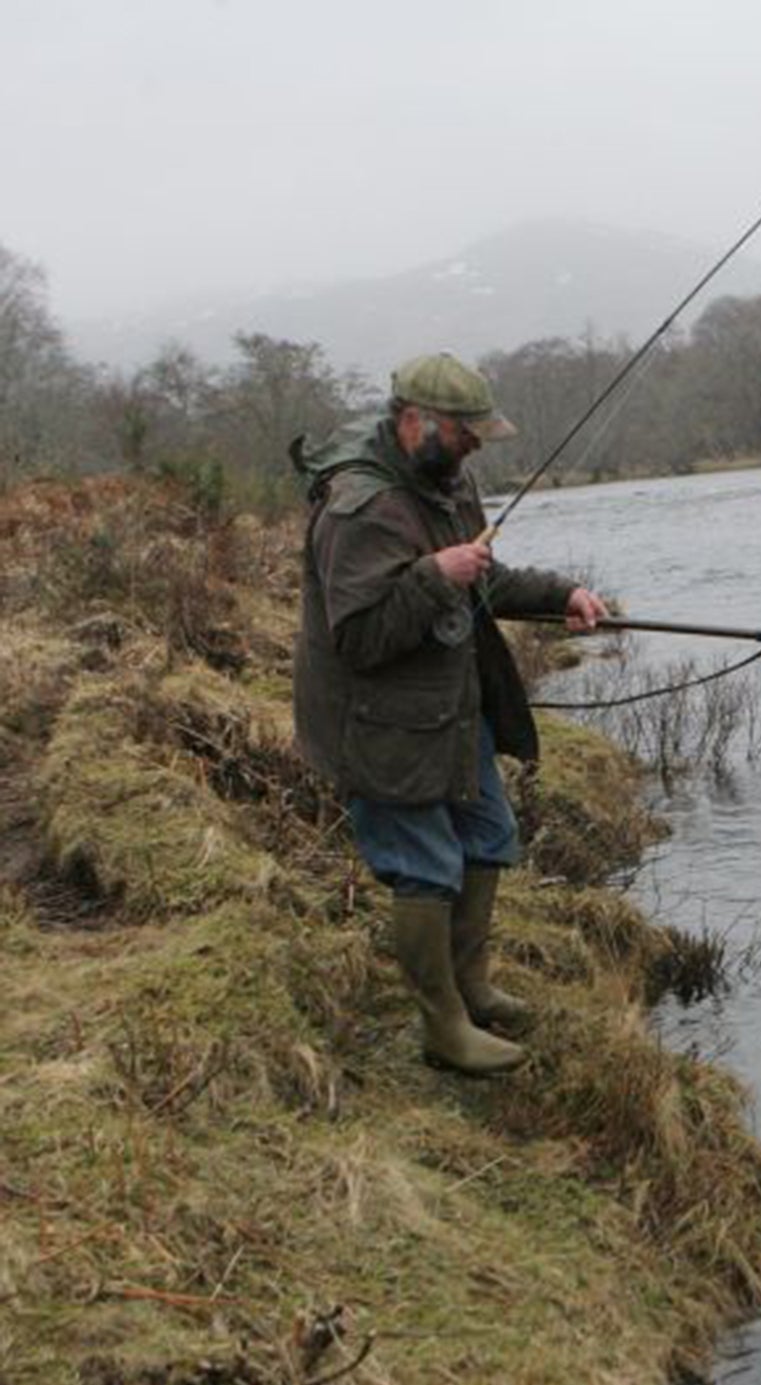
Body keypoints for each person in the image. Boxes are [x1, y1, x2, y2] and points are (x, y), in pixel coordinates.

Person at [290, 352, 608, 1076]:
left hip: (446, 707)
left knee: (489, 833)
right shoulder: (361, 509)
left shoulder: (445, 483)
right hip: (375, 722)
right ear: (414, 422)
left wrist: (563, 596)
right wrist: (436, 576)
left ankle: (471, 988)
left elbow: (483, 580)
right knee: (425, 866)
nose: (474, 448)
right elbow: (361, 639)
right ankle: (442, 1030)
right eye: (466, 435)